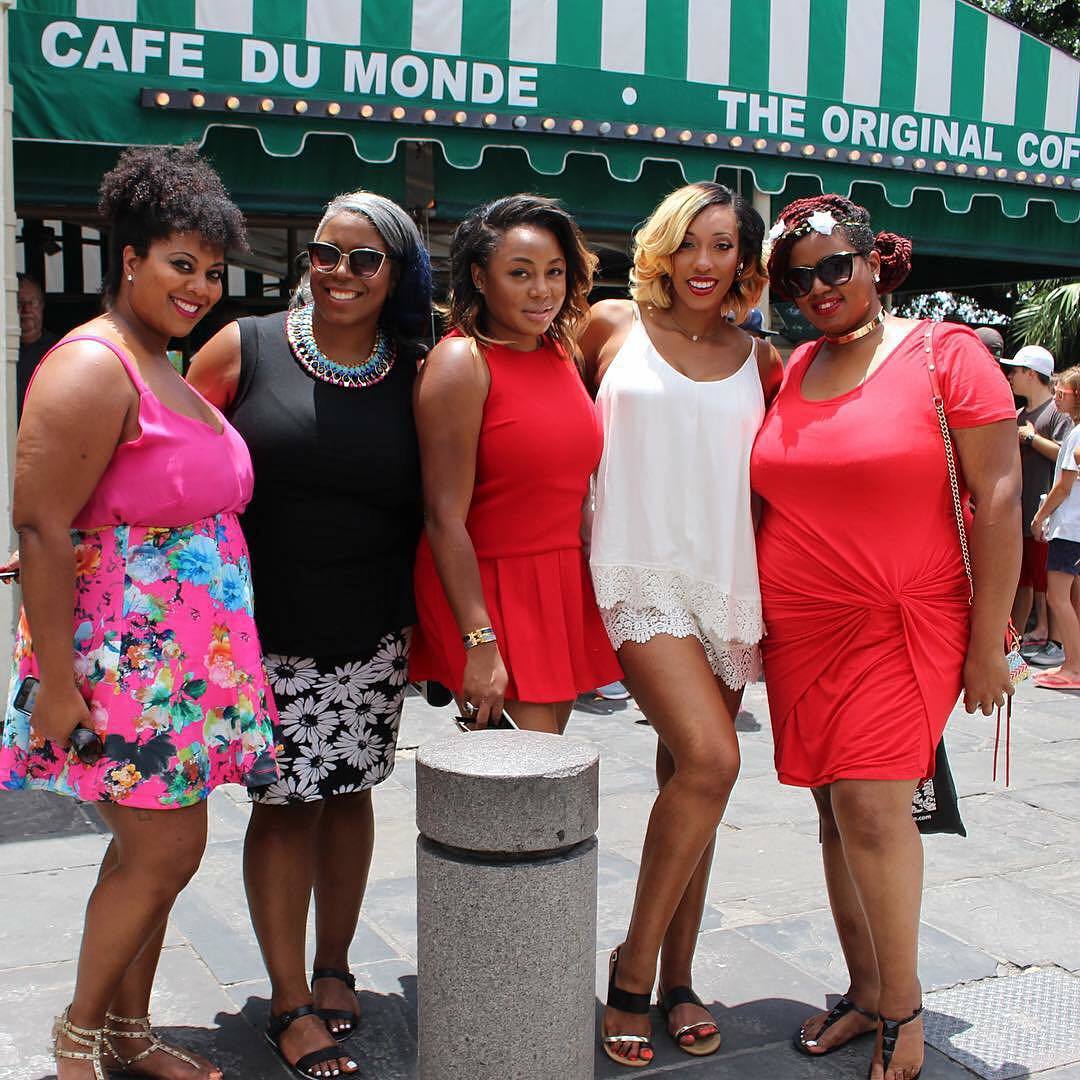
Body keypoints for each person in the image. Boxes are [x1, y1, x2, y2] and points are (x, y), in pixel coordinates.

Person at [0, 145, 277, 1080]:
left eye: (212, 271)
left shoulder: (161, 360)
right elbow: (41, 524)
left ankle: (129, 1031)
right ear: (130, 259)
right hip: (122, 664)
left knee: (154, 854)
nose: (199, 286)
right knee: (164, 851)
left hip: (181, 665)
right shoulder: (94, 364)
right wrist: (57, 687)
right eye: (179, 264)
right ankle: (78, 1035)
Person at [751, 194, 1020, 1080]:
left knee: (871, 808)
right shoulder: (796, 364)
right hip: (803, 625)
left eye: (835, 266)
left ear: (876, 260)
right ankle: (865, 990)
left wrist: (988, 644)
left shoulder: (947, 352)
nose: (818, 288)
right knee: (835, 812)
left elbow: (1000, 499)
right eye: (798, 279)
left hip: (906, 616)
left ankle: (901, 1008)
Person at [188, 190, 432, 1079]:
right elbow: (165, 449)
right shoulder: (244, 347)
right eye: (326, 253)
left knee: (352, 792)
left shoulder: (417, 370)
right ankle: (289, 1000)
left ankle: (334, 965)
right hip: (266, 629)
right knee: (287, 804)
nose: (340, 272)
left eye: (364, 259)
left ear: (396, 274)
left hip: (371, 631)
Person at [580, 181, 783, 1067]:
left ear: (745, 260)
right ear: (662, 246)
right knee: (713, 759)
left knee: (693, 784)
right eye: (690, 242)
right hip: (633, 570)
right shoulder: (608, 326)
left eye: (724, 245)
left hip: (729, 581)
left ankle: (681, 977)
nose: (705, 262)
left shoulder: (762, 358)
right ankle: (633, 970)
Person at [409, 194, 621, 733]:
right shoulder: (461, 361)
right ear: (480, 277)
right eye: (520, 273)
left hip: (559, 582)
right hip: (488, 589)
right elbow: (443, 517)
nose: (542, 290)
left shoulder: (561, 352)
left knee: (544, 764)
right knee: (525, 768)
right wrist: (479, 642)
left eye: (555, 271)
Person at [1002, 345, 1073, 667]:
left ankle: (1057, 645)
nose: (1010, 376)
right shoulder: (1020, 414)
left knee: (1053, 587)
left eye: (1015, 371)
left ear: (1031, 374)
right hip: (1021, 513)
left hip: (1049, 516)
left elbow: (1066, 458)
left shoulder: (1057, 414)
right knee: (1021, 581)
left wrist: (1031, 438)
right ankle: (1014, 645)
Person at [1031, 365, 1080, 690]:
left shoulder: (1076, 434)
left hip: (1069, 528)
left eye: (1061, 392)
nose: (1056, 397)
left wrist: (1039, 516)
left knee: (1057, 597)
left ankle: (1073, 667)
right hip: (1073, 528)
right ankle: (1073, 662)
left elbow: (1063, 486)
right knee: (1071, 598)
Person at [16, 273, 60, 423]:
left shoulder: (60, 350)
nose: (26, 309)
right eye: (18, 303)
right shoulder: (4, 351)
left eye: (33, 302)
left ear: (42, 305)